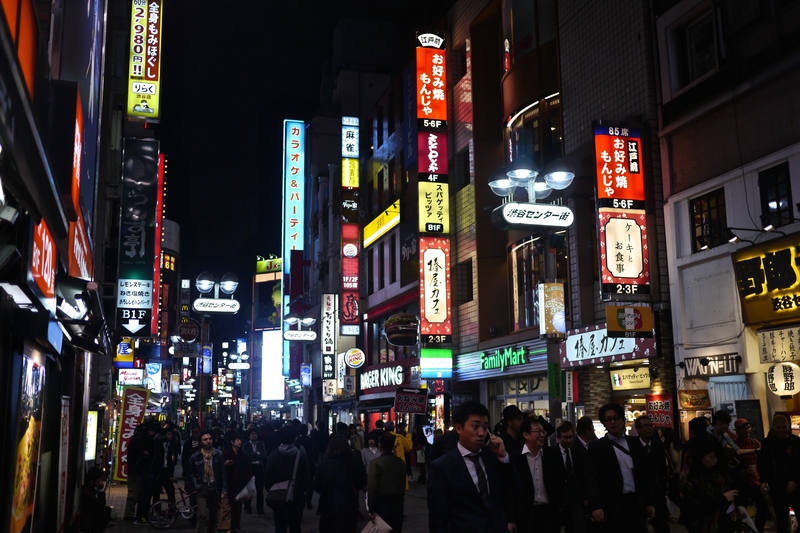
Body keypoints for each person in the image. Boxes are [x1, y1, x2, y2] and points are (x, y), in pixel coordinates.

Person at [427, 400, 512, 533]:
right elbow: (438, 519)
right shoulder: (442, 467)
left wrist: (503, 457)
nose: (481, 433)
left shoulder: (492, 457)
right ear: (459, 428)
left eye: (485, 427)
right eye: (475, 426)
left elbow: (514, 491)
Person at [585, 403, 654, 532]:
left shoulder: (635, 444)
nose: (613, 422)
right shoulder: (597, 447)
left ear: (623, 420)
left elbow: (644, 475)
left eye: (616, 418)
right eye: (608, 419)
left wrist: (649, 502)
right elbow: (592, 480)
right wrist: (595, 506)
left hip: (635, 504)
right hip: (611, 506)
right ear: (604, 423)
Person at [507, 417, 562, 533]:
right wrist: (510, 518)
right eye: (538, 431)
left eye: (543, 432)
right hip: (525, 514)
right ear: (526, 435)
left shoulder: (552, 455)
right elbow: (510, 490)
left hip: (549, 512)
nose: (542, 435)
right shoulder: (514, 458)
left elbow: (559, 482)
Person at [681, 433, 743, 533]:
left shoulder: (719, 471)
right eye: (711, 457)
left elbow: (734, 488)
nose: (715, 461)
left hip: (726, 524)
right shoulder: (690, 478)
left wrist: (739, 505)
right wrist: (722, 499)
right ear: (700, 456)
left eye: (717, 457)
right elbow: (693, 510)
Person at [314, 434, 367, 533]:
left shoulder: (324, 465)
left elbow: (317, 486)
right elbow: (362, 482)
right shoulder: (353, 463)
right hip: (349, 504)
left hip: (328, 505)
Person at [758, 414, 800, 533]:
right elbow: (762, 463)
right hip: (777, 487)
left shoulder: (796, 441)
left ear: (789, 427)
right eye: (778, 427)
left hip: (796, 486)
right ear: (773, 427)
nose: (781, 430)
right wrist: (763, 481)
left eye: (784, 427)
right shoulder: (767, 443)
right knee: (781, 521)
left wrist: (796, 481)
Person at [265, 425, 310, 533]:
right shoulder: (300, 455)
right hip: (297, 496)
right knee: (295, 526)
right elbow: (307, 477)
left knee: (280, 527)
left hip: (279, 495)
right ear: (295, 437)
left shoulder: (274, 455)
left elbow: (268, 477)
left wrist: (272, 490)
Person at [185, 429, 228, 533]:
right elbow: (190, 473)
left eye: (210, 439)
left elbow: (223, 472)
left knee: (213, 514)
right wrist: (196, 485)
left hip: (214, 487)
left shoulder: (218, 454)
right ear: (201, 442)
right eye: (205, 439)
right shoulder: (195, 456)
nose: (208, 441)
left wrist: (224, 490)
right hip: (202, 487)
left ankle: (211, 530)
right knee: (202, 514)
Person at [635, 415, 670, 533]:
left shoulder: (657, 446)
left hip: (657, 494)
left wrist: (662, 486)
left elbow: (662, 470)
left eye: (651, 426)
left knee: (661, 526)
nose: (649, 428)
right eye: (645, 426)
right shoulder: (633, 447)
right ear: (638, 430)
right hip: (639, 495)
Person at [367, 433, 407, 533]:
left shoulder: (376, 463)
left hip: (382, 504)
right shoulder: (400, 462)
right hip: (398, 502)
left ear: (380, 445)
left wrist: (371, 508)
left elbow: (373, 486)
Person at [733, 417, 766, 532]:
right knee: (741, 510)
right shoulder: (734, 445)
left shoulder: (755, 442)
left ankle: (757, 530)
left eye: (748, 428)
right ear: (736, 430)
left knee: (763, 508)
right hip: (741, 483)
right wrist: (744, 471)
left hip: (755, 481)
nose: (747, 430)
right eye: (743, 428)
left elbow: (761, 463)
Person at [555, 422, 587, 533]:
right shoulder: (552, 454)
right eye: (565, 438)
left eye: (570, 437)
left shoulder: (577, 452)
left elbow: (582, 475)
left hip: (576, 499)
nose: (568, 440)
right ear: (558, 438)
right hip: (559, 500)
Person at [219, 432, 252, 533]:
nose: (239, 442)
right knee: (227, 507)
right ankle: (226, 527)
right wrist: (225, 464)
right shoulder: (226, 454)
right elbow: (219, 468)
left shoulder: (243, 455)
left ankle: (234, 525)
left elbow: (248, 468)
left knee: (237, 507)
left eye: (240, 440)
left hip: (239, 484)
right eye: (237, 440)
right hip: (228, 484)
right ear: (232, 442)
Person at [131, 420, 159, 526]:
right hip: (145, 470)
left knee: (148, 494)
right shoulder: (143, 440)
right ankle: (141, 516)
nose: (152, 433)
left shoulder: (152, 440)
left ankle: (146, 515)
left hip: (151, 471)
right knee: (145, 494)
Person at [242, 428, 267, 515]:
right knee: (249, 488)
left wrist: (253, 457)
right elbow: (246, 456)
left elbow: (264, 455)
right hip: (250, 468)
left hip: (259, 468)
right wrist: (256, 454)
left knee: (260, 489)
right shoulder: (245, 445)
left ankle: (260, 508)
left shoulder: (261, 444)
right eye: (252, 434)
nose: (254, 435)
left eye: (255, 433)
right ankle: (247, 507)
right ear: (249, 436)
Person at [80, 466, 112, 533]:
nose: (101, 481)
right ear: (92, 480)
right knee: (106, 512)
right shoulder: (87, 492)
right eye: (99, 479)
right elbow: (100, 505)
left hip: (89, 517)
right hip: (87, 521)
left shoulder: (89, 488)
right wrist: (101, 491)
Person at [385, 421, 413, 488]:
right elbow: (409, 448)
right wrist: (408, 437)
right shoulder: (400, 438)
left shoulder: (382, 438)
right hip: (399, 463)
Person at [296, 424, 317, 510]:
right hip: (310, 464)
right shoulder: (311, 440)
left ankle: (301, 500)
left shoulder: (297, 442)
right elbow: (316, 452)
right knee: (310, 483)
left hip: (299, 465)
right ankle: (309, 499)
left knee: (300, 483)